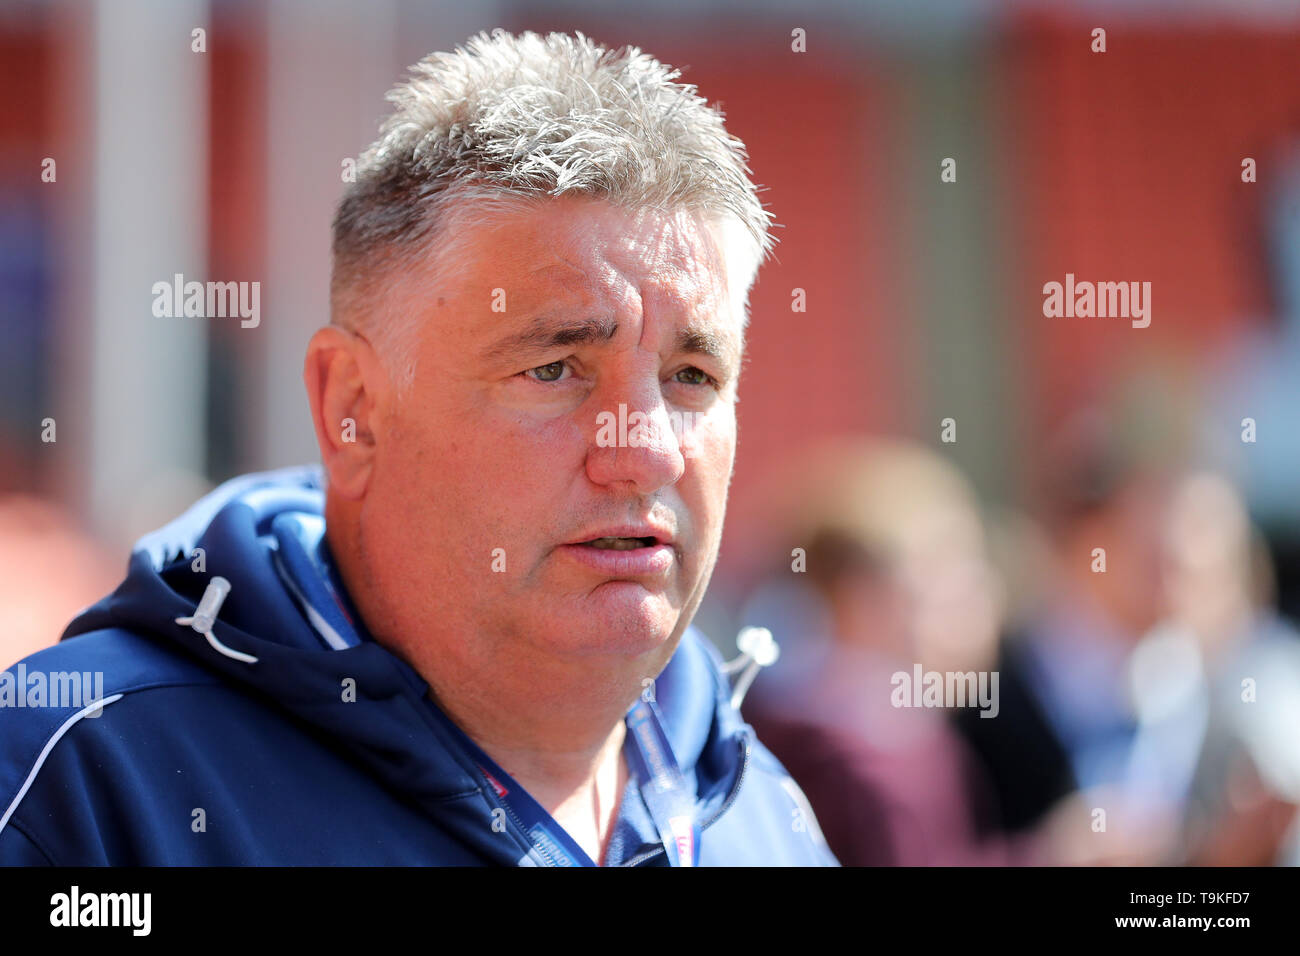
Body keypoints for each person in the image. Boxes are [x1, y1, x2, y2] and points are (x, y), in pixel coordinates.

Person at [0, 30, 835, 867]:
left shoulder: (759, 811)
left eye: (692, 376)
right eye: (554, 369)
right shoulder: (82, 793)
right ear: (351, 409)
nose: (644, 451)